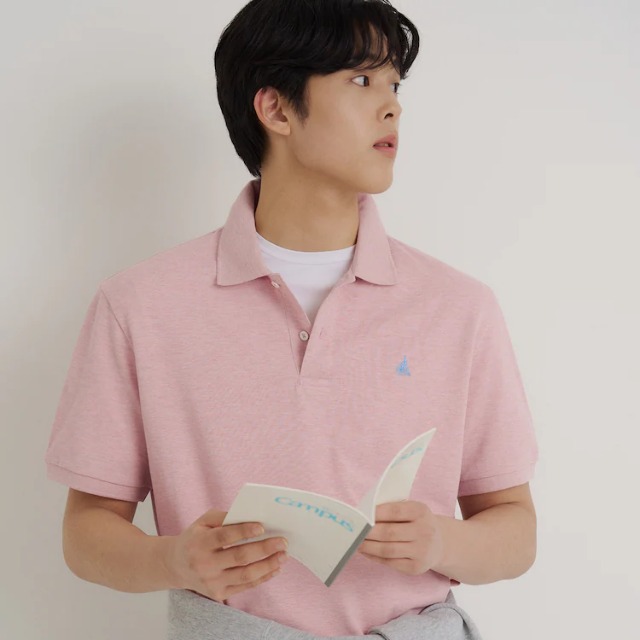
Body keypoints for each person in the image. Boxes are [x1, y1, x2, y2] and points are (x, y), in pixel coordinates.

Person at [44, 1, 539, 638]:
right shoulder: (139, 305)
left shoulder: (459, 306)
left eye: (395, 85)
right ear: (276, 109)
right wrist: (174, 559)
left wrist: (442, 542)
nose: (392, 106)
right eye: (361, 79)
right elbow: (85, 531)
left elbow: (516, 530)